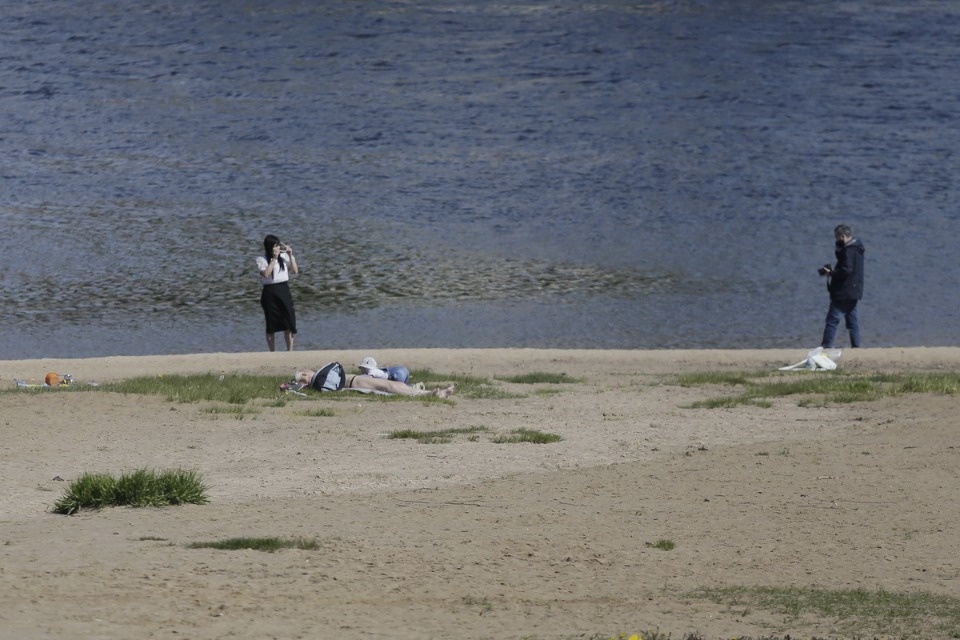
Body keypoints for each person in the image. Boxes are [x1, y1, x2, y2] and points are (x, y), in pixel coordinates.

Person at [818, 224, 865, 349]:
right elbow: (846, 263)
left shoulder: (849, 250)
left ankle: (826, 346)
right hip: (854, 291)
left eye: (837, 238)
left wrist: (831, 273)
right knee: (852, 321)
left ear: (842, 237)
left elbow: (846, 270)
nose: (836, 241)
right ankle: (856, 346)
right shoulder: (857, 248)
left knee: (832, 320)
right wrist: (839, 252)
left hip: (843, 292)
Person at [293, 367, 455, 398]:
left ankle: (429, 393)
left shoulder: (323, 375)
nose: (308, 370)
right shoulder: (312, 383)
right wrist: (299, 383)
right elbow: (297, 388)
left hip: (358, 380)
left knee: (395, 386)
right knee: (391, 387)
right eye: (305, 372)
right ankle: (431, 394)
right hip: (356, 383)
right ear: (305, 378)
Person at [256, 235, 299, 351]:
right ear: (269, 247)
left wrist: (290, 256)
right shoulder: (262, 259)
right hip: (269, 292)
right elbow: (266, 274)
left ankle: (290, 350)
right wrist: (274, 259)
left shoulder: (285, 257)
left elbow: (295, 271)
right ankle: (272, 351)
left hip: (284, 290)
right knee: (271, 323)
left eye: (278, 245)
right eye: (275, 246)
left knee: (289, 320)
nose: (278, 248)